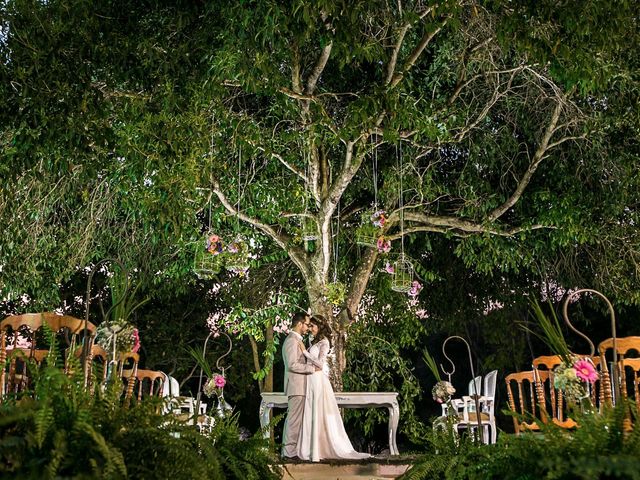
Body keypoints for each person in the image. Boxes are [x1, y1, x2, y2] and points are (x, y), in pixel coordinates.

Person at [297, 315, 371, 461]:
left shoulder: (324, 342)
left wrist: (305, 352)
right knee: (311, 412)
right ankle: (310, 449)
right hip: (310, 379)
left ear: (320, 326)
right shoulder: (313, 341)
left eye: (313, 326)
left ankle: (319, 451)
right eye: (309, 326)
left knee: (319, 412)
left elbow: (320, 363)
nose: (310, 329)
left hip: (318, 380)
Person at [281, 312, 320, 459]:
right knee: (294, 420)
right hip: (296, 386)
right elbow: (292, 364)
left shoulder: (297, 340)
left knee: (297, 420)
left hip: (302, 387)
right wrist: (311, 369)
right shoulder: (292, 340)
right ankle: (288, 453)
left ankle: (293, 452)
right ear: (299, 324)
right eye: (307, 324)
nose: (308, 328)